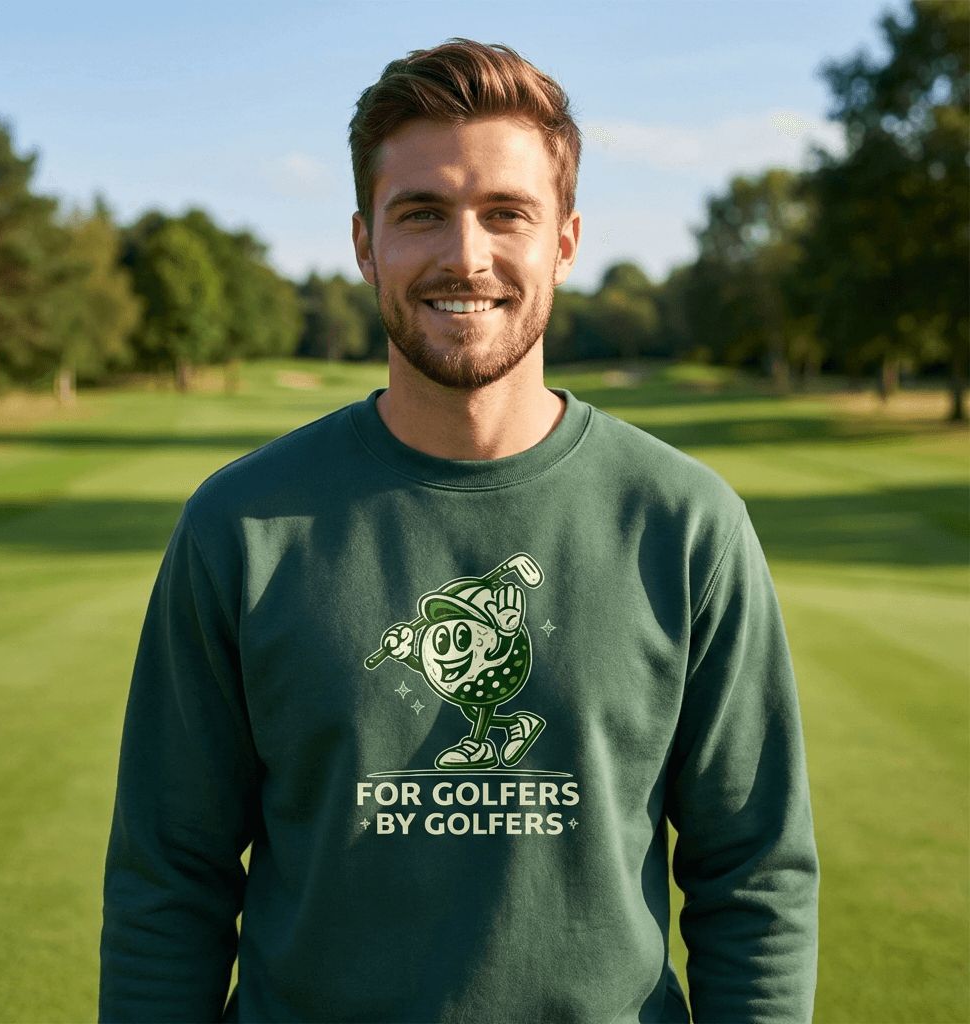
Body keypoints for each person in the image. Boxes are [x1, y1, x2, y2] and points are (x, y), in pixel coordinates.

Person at [100, 39, 819, 1024]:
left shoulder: (686, 522)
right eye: (422, 213)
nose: (464, 256)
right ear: (364, 242)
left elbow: (756, 876)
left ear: (564, 239)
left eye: (505, 214)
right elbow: (167, 879)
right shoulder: (242, 526)